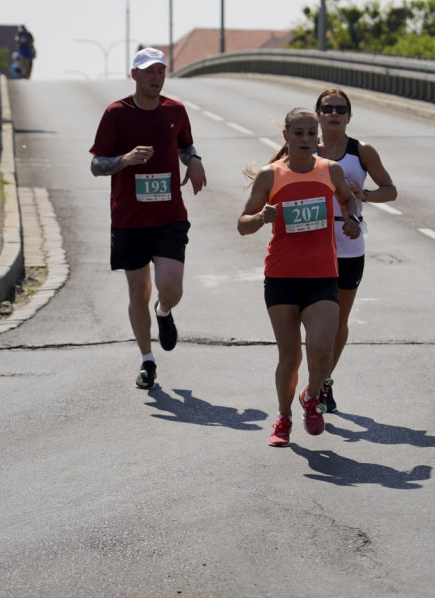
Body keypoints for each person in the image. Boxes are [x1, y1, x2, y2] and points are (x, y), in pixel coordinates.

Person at [238, 107, 363, 447]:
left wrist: (353, 220)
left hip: (322, 274)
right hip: (281, 276)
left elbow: (350, 202)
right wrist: (262, 217)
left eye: (312, 134)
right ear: (286, 137)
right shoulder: (271, 176)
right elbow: (242, 225)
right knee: (290, 356)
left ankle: (311, 397)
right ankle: (283, 417)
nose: (306, 139)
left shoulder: (330, 171)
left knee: (321, 350)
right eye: (299, 133)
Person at [89, 47, 207, 390]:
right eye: (149, 71)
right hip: (128, 218)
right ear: (134, 75)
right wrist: (124, 160)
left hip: (169, 215)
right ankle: (146, 360)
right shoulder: (116, 114)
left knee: (170, 287)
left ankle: (165, 312)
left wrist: (194, 158)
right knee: (138, 292)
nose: (156, 77)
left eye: (161, 71)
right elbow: (96, 165)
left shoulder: (176, 110)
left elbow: (185, 146)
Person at [314, 88, 397, 413]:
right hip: (311, 242)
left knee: (337, 321)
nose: (334, 113)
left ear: (349, 116)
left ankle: (324, 380)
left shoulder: (360, 151)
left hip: (349, 244)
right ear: (318, 113)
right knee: (314, 320)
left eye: (340, 108)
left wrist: (365, 196)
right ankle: (316, 380)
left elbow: (391, 190)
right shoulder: (305, 145)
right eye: (327, 108)